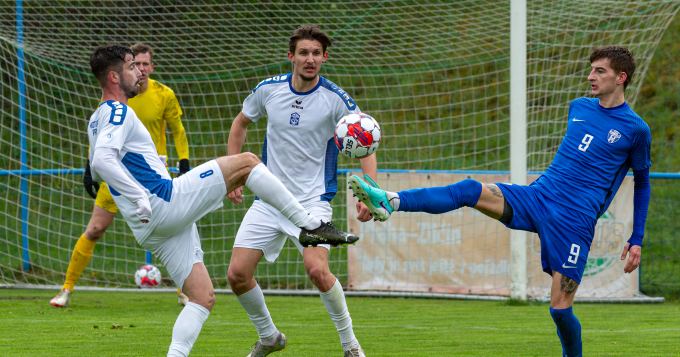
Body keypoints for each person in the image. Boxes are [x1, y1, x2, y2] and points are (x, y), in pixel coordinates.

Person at [349, 46, 650, 357]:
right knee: (469, 190)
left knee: (560, 311)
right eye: (591, 69)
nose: (591, 76)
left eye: (600, 71)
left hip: (574, 222)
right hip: (538, 196)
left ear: (621, 77)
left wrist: (636, 238)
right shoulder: (579, 107)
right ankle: (390, 201)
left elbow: (642, 185)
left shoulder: (636, 130)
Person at [83, 44, 358, 357]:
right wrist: (137, 196)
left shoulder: (97, 117)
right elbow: (104, 161)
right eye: (132, 67)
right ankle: (311, 224)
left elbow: (99, 163)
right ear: (114, 77)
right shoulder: (119, 110)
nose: (140, 71)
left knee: (201, 297)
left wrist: (153, 164)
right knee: (247, 162)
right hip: (163, 201)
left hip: (147, 228)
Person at [226, 25, 375, 357]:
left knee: (317, 270)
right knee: (237, 275)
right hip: (268, 200)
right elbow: (240, 123)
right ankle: (269, 338)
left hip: (312, 202)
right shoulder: (268, 90)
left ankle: (350, 345)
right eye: (304, 53)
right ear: (291, 56)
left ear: (325, 57)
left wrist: (368, 192)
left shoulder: (336, 99)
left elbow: (366, 142)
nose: (310, 59)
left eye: (317, 53)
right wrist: (233, 173)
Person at [50, 43, 193, 308]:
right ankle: (66, 289)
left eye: (145, 64)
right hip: (116, 176)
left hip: (150, 177)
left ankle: (185, 290)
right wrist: (89, 165)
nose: (141, 69)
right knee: (94, 229)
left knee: (174, 230)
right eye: (135, 64)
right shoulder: (116, 100)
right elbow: (103, 136)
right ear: (119, 73)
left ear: (152, 66)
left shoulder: (163, 94)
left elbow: (178, 129)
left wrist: (184, 161)